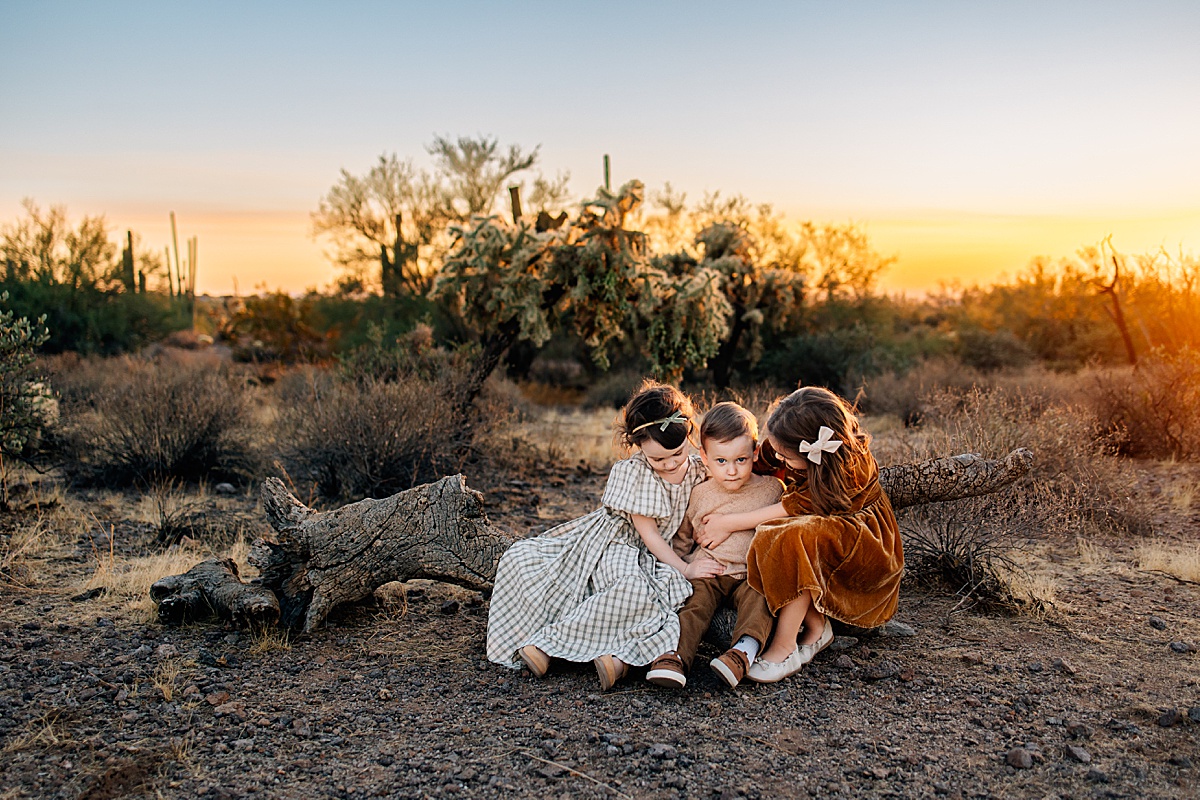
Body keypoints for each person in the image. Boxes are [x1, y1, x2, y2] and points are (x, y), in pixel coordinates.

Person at [486, 380, 724, 691]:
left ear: (690, 436)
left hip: (658, 552)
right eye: (658, 459)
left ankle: (619, 657)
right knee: (629, 587)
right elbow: (648, 535)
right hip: (619, 542)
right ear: (638, 447)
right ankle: (545, 644)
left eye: (676, 454)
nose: (669, 464)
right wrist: (686, 568)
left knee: (668, 596)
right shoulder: (636, 472)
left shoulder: (696, 469)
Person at [698, 386, 904, 683]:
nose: (778, 459)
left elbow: (791, 509)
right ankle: (816, 623)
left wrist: (728, 522)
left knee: (789, 537)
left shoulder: (842, 470)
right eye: (778, 451)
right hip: (824, 533)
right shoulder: (786, 442)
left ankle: (785, 645)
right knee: (782, 535)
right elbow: (753, 459)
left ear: (812, 454)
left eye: (786, 456)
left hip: (862, 545)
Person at [644, 402, 783, 690]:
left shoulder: (771, 490)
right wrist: (685, 567)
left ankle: (742, 653)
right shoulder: (700, 493)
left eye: (740, 460)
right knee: (694, 604)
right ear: (704, 458)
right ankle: (675, 656)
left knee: (761, 600)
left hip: (750, 573)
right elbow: (683, 536)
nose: (731, 470)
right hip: (711, 569)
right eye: (721, 461)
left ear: (755, 453)